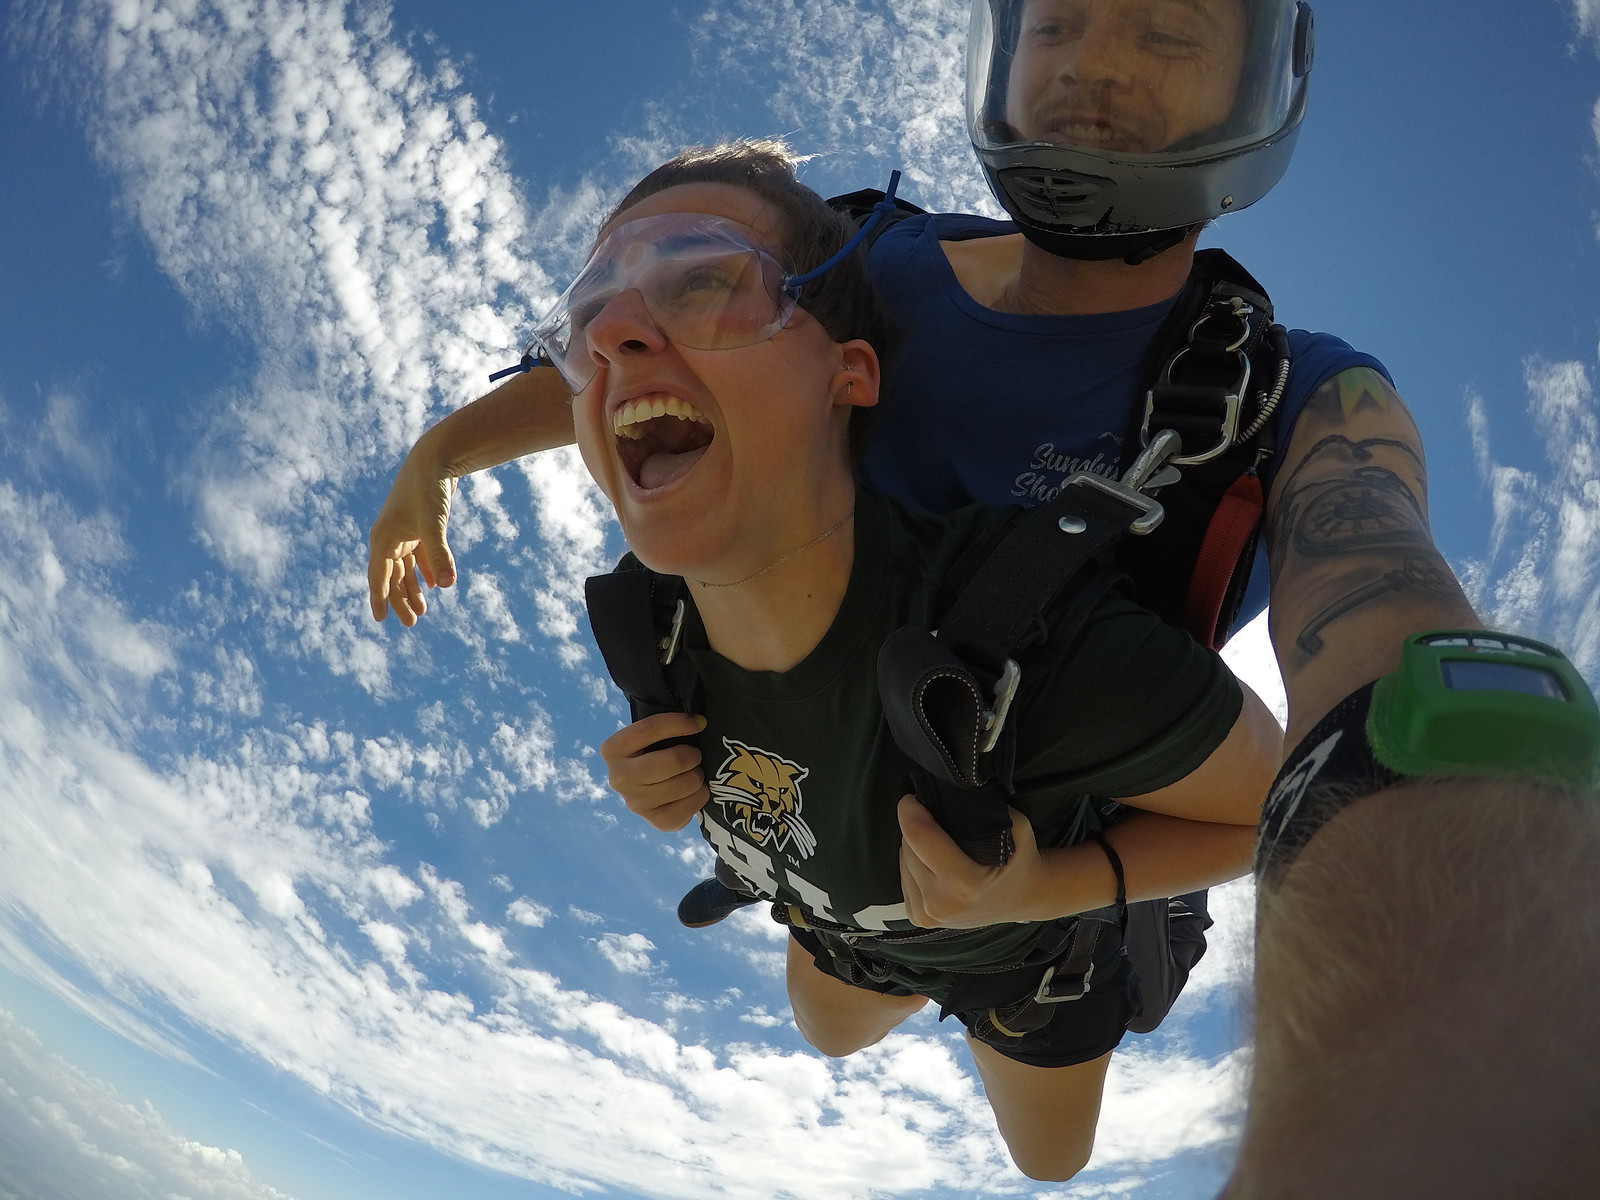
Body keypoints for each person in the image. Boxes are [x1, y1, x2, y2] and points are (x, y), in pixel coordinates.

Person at [482, 142, 1282, 1181]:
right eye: (591, 318)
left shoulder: (1028, 651)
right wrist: (667, 784)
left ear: (847, 371)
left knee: (1049, 1163)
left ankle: (1134, 920)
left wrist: (1048, 889)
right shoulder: (647, 631)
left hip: (1025, 958)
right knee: (823, 1030)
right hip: (843, 925)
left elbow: (1275, 808)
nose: (620, 333)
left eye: (708, 284)